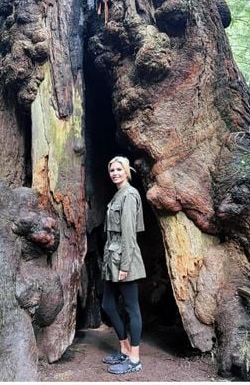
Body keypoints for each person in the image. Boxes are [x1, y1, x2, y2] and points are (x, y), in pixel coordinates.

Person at [101, 156, 146, 375]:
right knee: (108, 305)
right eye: (112, 170)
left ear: (127, 172)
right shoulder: (118, 194)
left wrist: (125, 266)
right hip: (113, 258)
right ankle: (124, 349)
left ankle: (135, 360)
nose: (115, 173)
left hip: (124, 260)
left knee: (131, 308)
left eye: (119, 169)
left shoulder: (129, 195)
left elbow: (129, 234)